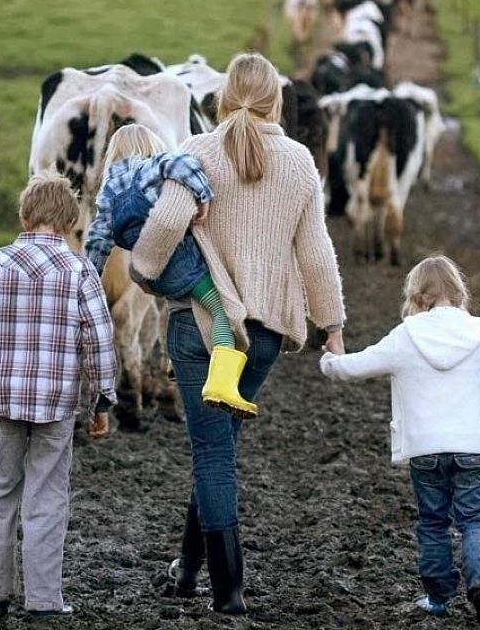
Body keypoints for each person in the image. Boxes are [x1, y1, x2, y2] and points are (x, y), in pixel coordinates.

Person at [131, 52, 347, 615]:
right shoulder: (299, 162)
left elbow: (165, 224)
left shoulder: (198, 152)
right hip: (265, 336)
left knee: (212, 454)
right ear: (277, 101)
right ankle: (186, 572)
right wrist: (333, 325)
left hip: (200, 329)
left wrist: (143, 270)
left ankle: (228, 593)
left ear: (222, 99)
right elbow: (316, 252)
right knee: (218, 446)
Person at [320, 256, 480, 629]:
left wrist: (330, 360)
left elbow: (353, 366)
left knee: (433, 523)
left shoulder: (406, 335)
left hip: (424, 451)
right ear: (458, 292)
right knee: (476, 521)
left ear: (417, 296)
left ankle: (438, 599)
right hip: (472, 449)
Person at [0, 170, 118, 621]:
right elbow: (99, 339)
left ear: (25, 215)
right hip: (56, 405)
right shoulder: (80, 269)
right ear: (69, 220)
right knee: (48, 495)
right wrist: (103, 399)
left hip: (2, 400)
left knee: (1, 490)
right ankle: (43, 599)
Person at [84, 124, 254, 419]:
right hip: (179, 260)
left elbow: (98, 239)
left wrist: (88, 277)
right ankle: (222, 384)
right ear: (149, 145)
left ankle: (178, 363)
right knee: (221, 311)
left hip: (151, 274)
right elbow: (181, 162)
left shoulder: (108, 189)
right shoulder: (150, 166)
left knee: (185, 306)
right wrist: (203, 196)